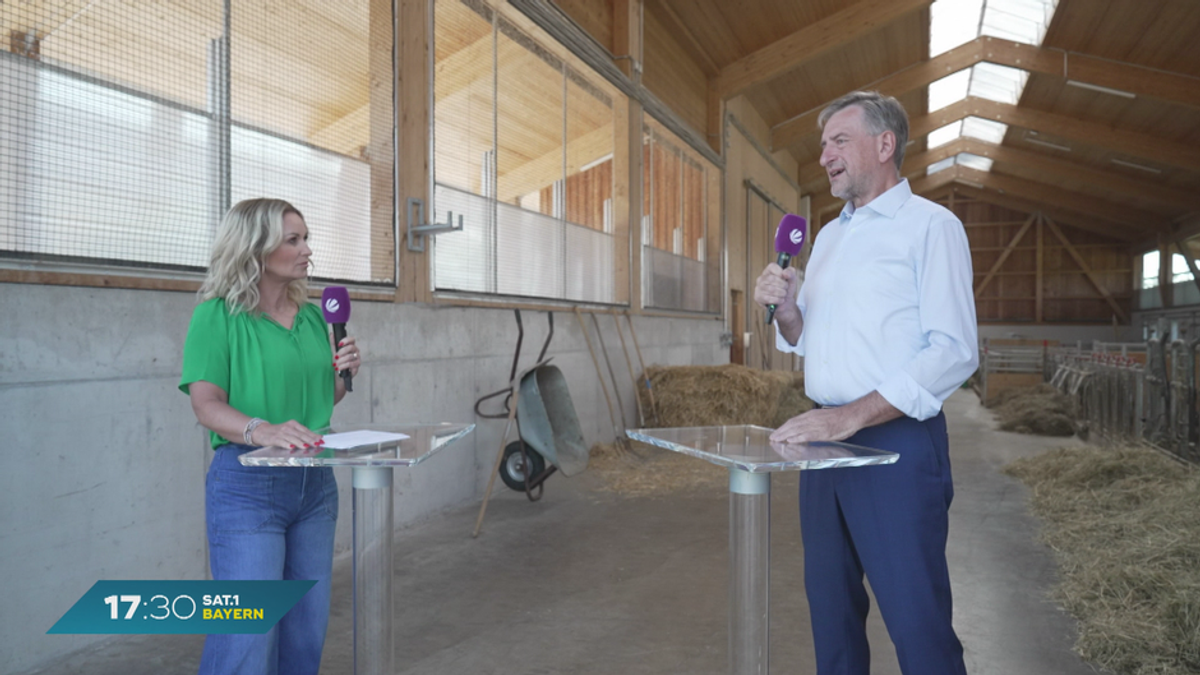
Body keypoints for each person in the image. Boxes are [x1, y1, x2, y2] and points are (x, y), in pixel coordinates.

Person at [754, 91, 978, 675]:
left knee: (916, 623)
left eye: (839, 140)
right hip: (822, 444)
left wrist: (849, 415)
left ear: (885, 145)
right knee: (832, 621)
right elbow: (811, 335)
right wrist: (784, 310)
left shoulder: (931, 227)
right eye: (823, 143)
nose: (825, 153)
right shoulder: (827, 237)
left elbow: (953, 351)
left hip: (895, 444)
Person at [180, 198, 361, 675]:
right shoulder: (216, 316)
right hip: (247, 489)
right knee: (246, 637)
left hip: (315, 486)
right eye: (293, 240)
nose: (307, 251)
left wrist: (342, 375)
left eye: (306, 238)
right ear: (256, 248)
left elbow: (320, 405)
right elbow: (206, 404)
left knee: (304, 634)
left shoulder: (311, 317)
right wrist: (261, 430)